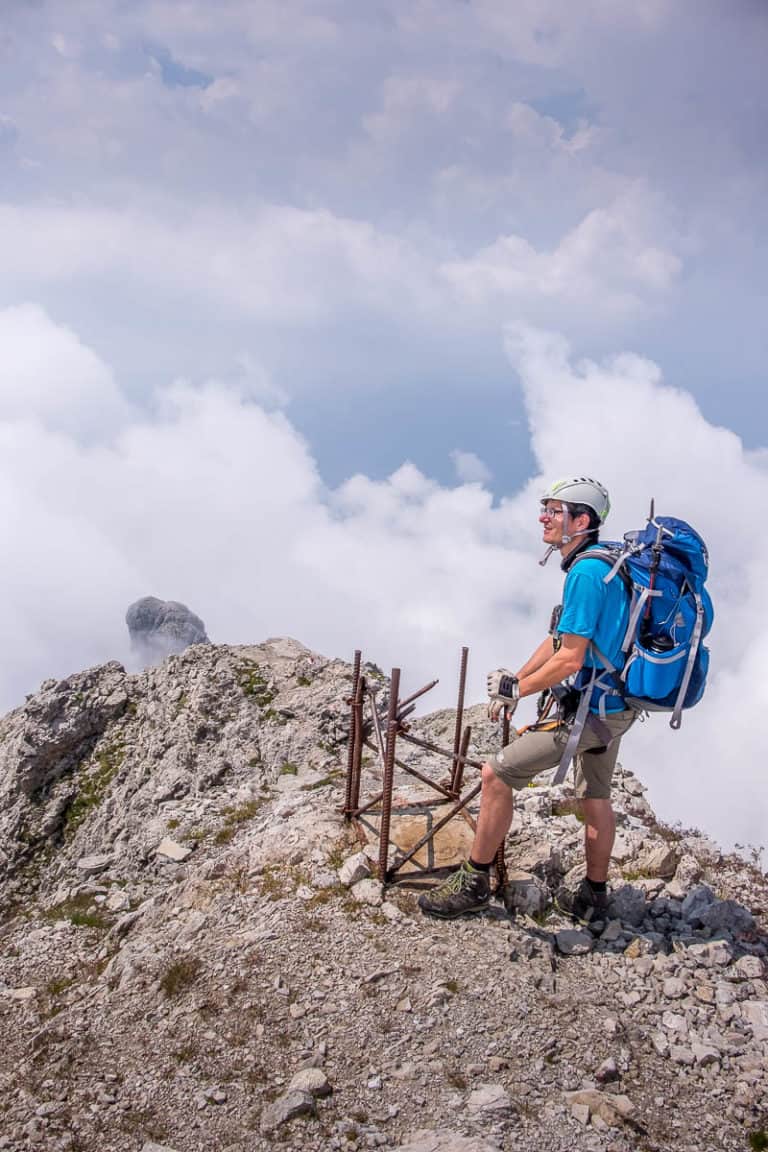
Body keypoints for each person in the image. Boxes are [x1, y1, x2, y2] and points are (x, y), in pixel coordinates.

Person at [418, 477, 638, 924]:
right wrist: (517, 679)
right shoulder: (607, 565)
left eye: (555, 511)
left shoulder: (586, 574)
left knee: (497, 774)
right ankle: (594, 897)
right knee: (595, 796)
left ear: (581, 521)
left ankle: (473, 882)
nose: (543, 518)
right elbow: (558, 639)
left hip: (591, 712)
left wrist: (518, 690)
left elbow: (570, 658)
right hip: (614, 705)